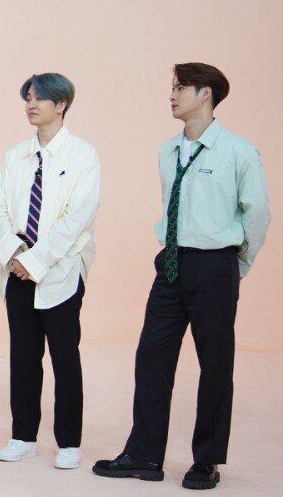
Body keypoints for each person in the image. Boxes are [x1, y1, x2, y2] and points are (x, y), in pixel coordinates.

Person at [93, 63, 270, 490]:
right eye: (172, 87)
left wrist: (236, 265)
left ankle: (206, 461)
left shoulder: (238, 152)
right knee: (152, 358)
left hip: (216, 266)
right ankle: (144, 455)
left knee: (215, 365)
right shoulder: (167, 150)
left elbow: (258, 215)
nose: (171, 95)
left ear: (206, 94)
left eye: (180, 88)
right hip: (172, 263)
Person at [0, 72, 101, 470]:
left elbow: (77, 219)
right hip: (17, 268)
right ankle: (23, 437)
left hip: (61, 270)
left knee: (65, 358)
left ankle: (68, 442)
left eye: (39, 98)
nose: (31, 105)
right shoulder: (15, 155)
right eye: (28, 98)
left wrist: (35, 260)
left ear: (61, 104)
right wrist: (15, 253)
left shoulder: (83, 156)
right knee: (23, 356)